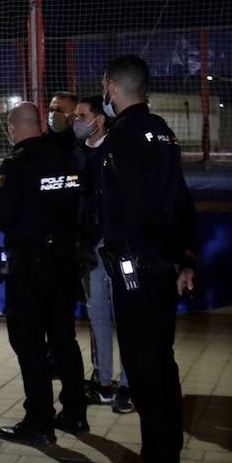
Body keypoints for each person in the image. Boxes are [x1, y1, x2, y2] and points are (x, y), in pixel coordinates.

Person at [95, 56, 199, 463]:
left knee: (146, 375)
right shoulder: (164, 132)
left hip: (137, 271)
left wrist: (126, 258)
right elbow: (178, 199)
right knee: (162, 367)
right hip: (162, 269)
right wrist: (185, 258)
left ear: (114, 88)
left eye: (106, 88)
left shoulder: (121, 137)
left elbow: (129, 208)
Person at [0, 101, 87, 446]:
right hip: (64, 262)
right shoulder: (65, 157)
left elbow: (3, 216)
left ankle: (39, 420)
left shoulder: (16, 165)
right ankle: (74, 413)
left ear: (14, 127)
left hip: (29, 267)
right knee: (64, 340)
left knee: (28, 343)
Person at [73, 95, 132, 414]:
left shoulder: (120, 149)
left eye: (83, 115)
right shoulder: (77, 154)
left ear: (100, 120)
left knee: (127, 315)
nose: (76, 121)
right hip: (90, 248)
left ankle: (128, 386)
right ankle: (103, 384)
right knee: (98, 316)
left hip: (121, 248)